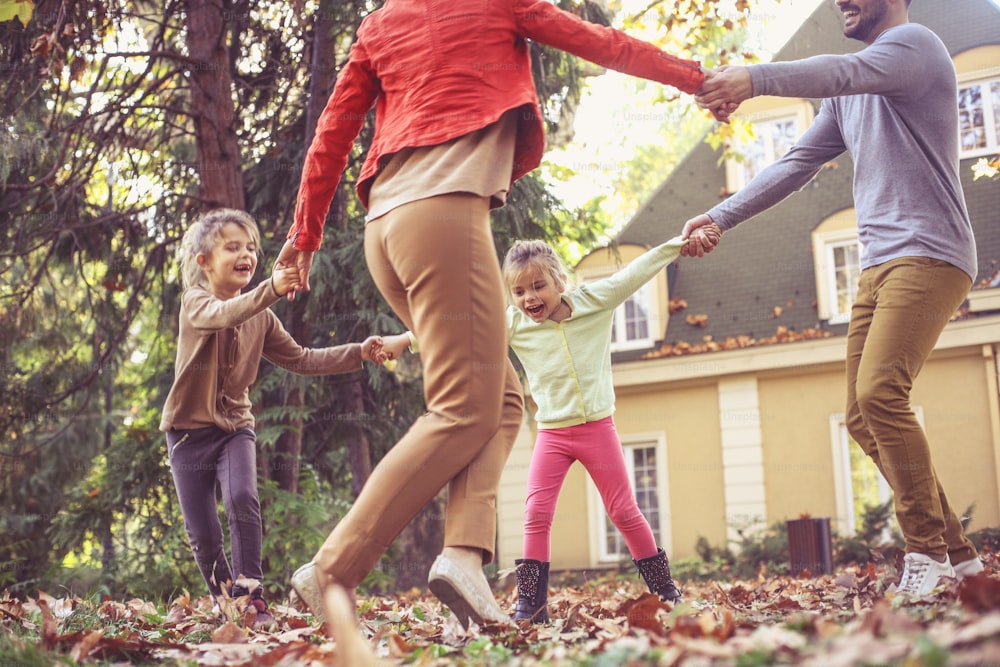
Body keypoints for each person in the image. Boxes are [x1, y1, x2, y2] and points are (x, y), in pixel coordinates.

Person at [276, 0, 711, 630]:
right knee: (461, 409)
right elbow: (601, 44)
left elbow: (332, 132)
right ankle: (332, 570)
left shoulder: (380, 23)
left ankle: (462, 556)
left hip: (385, 232)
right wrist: (695, 78)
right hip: (442, 218)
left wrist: (306, 232)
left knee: (503, 397)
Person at [682, 0, 984, 600]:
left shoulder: (916, 46)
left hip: (930, 252)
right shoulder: (851, 94)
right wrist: (718, 216)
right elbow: (794, 164)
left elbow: (843, 72)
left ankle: (926, 551)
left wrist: (755, 79)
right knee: (859, 413)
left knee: (880, 393)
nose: (842, 1)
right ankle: (960, 555)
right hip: (876, 267)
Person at [160, 208, 400, 628]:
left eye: (251, 247)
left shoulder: (262, 317)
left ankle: (251, 595)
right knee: (204, 537)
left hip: (234, 428)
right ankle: (226, 605)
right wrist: (271, 287)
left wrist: (358, 351)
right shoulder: (195, 303)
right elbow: (224, 315)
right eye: (232, 247)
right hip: (186, 437)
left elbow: (302, 360)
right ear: (203, 262)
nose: (246, 254)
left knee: (241, 498)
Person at [500, 236, 701, 622]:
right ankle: (530, 604)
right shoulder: (513, 324)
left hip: (597, 428)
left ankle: (665, 591)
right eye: (519, 291)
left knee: (624, 510)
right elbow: (463, 334)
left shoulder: (596, 300)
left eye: (538, 286)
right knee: (536, 513)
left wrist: (678, 244)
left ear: (560, 280)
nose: (529, 298)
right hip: (553, 435)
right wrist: (405, 342)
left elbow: (638, 271)